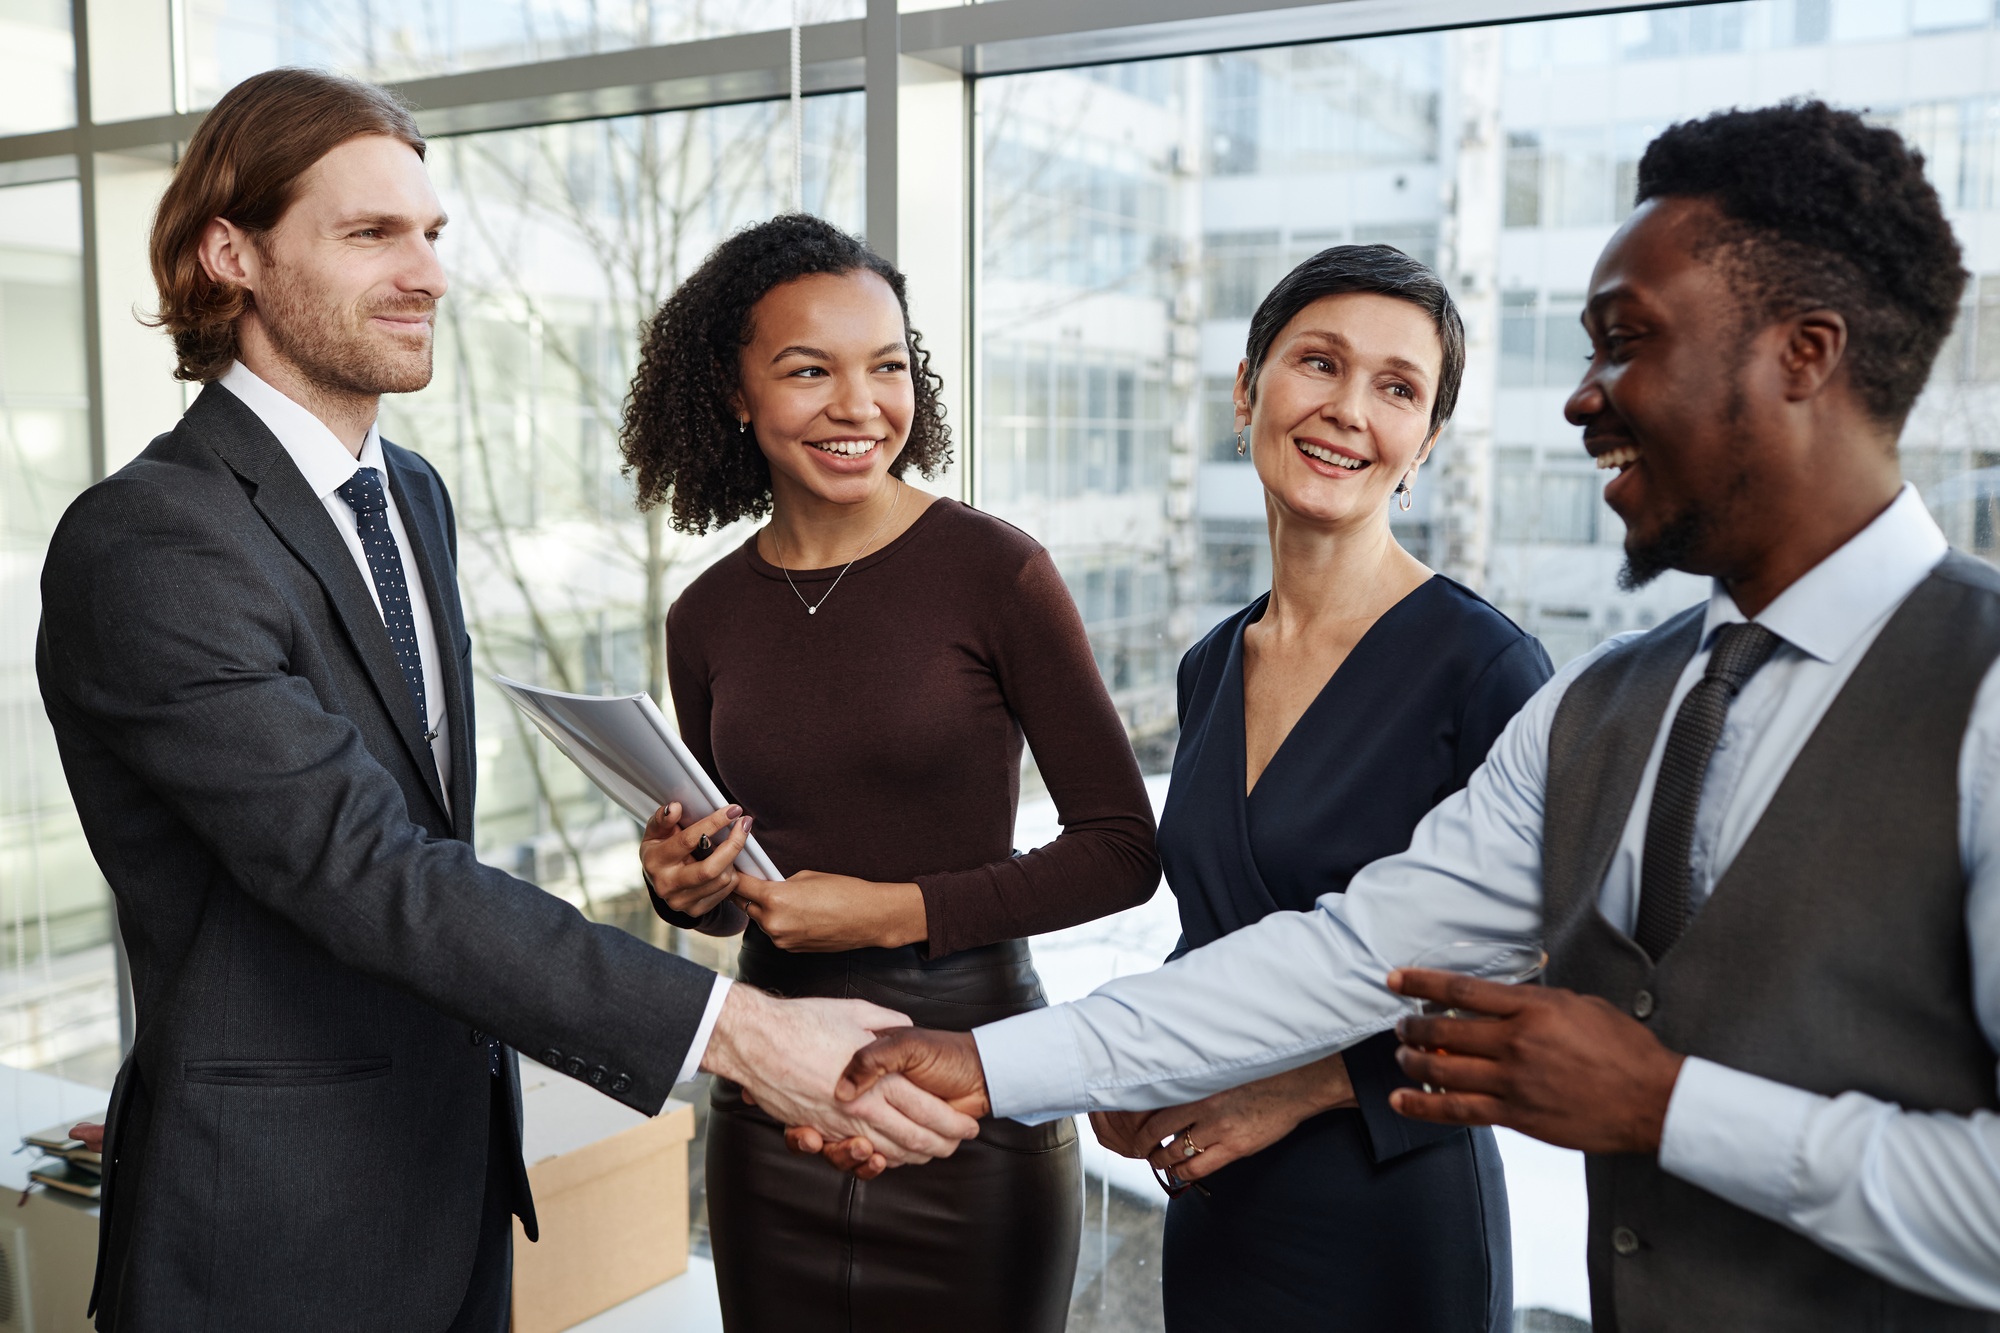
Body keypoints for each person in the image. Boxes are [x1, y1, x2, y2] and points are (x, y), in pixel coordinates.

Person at [831, 101, 2000, 1331]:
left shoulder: (1976, 690)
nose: (1582, 401)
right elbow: (1345, 952)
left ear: (1801, 354)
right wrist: (987, 1064)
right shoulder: (1609, 706)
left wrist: (1665, 1108)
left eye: (1625, 342)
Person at [37, 70, 974, 1333]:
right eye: (370, 234)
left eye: (431, 233)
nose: (425, 272)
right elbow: (364, 869)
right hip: (267, 1231)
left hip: (453, 1190)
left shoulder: (406, 494)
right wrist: (733, 1030)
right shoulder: (150, 540)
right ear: (230, 254)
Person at [616, 212, 1160, 1333]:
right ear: (734, 391)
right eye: (808, 370)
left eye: (887, 367)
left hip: (966, 1084)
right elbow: (740, 893)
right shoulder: (705, 616)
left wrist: (894, 909)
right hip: (772, 1104)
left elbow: (1121, 850)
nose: (860, 406)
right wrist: (689, 886)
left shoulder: (995, 571)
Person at [1076, 245, 1547, 1330]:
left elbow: (1550, 979)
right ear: (1247, 389)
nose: (1345, 410)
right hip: (1216, 1199)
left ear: (1422, 445)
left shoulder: (1483, 671)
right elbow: (1220, 930)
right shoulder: (1211, 663)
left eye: (1395, 388)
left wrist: (1290, 1088)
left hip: (1391, 1208)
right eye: (1316, 363)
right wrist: (1140, 1055)